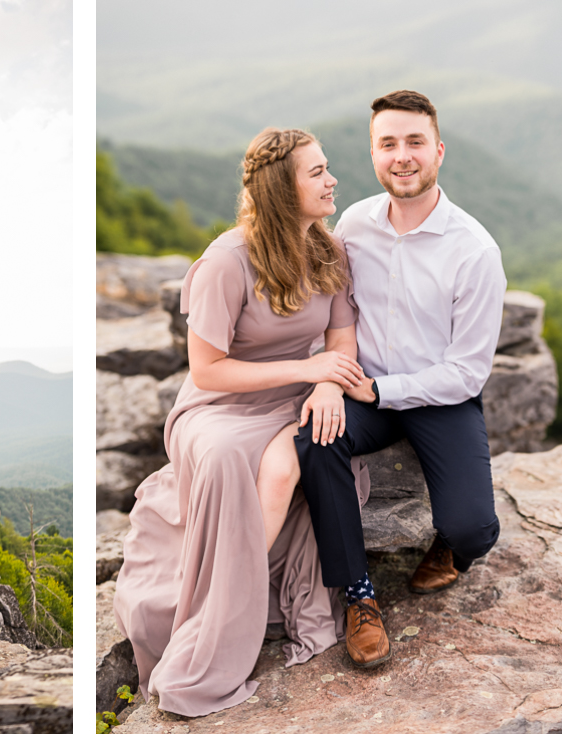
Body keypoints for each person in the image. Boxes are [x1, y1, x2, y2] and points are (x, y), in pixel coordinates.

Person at [113, 127, 367, 717]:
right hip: (220, 403)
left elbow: (342, 342)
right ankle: (218, 622)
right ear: (283, 188)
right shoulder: (227, 261)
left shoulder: (330, 250)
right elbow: (207, 371)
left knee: (287, 468)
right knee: (230, 457)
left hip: (298, 393)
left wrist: (327, 382)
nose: (332, 181)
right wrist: (309, 366)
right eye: (317, 173)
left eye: (327, 169)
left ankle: (234, 599)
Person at [295, 90, 507, 669]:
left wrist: (386, 391)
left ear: (438, 151)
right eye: (388, 143)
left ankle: (454, 545)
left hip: (437, 395)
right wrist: (327, 379)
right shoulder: (355, 222)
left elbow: (467, 372)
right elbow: (333, 311)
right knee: (315, 438)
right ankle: (359, 595)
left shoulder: (475, 252)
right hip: (364, 387)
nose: (402, 156)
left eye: (415, 142)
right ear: (372, 153)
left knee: (472, 527)